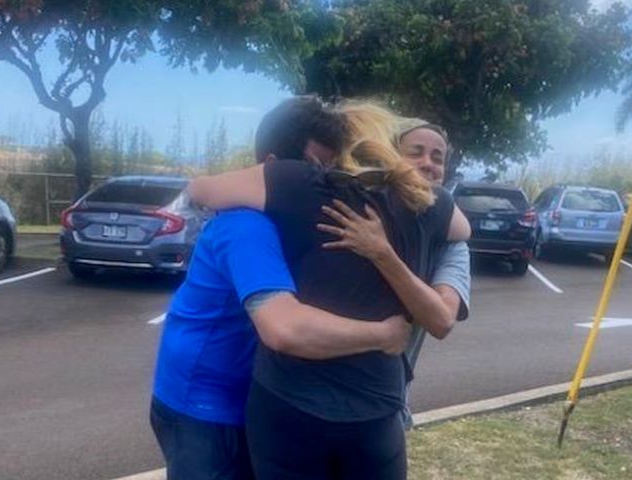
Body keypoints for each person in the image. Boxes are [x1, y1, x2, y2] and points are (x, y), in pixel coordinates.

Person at [187, 100, 470, 479]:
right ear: (392, 146)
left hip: (288, 402)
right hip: (376, 407)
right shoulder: (432, 205)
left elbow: (202, 190)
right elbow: (462, 232)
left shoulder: (302, 183)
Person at [149, 96, 412, 480]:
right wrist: (384, 334)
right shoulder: (247, 226)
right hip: (204, 407)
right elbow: (285, 329)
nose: (330, 186)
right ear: (274, 169)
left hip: (247, 396)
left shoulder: (290, 221)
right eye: (317, 172)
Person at [316, 111, 471, 427]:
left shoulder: (453, 243)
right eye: (415, 153)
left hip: (386, 404)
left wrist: (381, 252)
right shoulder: (353, 212)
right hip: (312, 400)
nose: (428, 163)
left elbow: (441, 320)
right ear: (389, 157)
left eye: (437, 157)